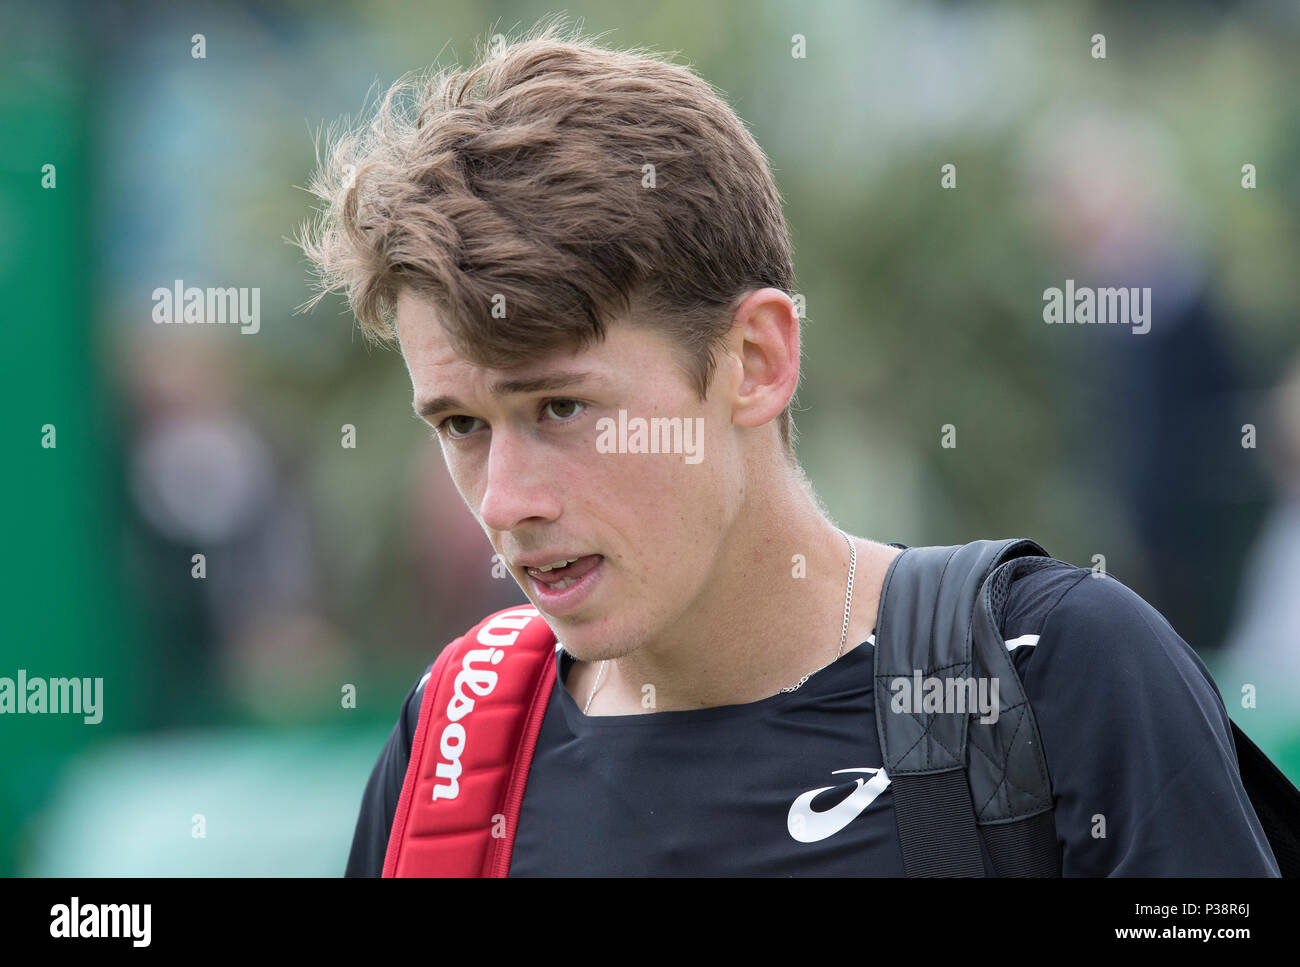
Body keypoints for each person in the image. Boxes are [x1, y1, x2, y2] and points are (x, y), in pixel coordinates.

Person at [297, 18, 1280, 876]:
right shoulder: (457, 741)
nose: (505, 500)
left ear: (755, 361)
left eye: (560, 407)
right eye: (461, 425)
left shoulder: (1053, 671)